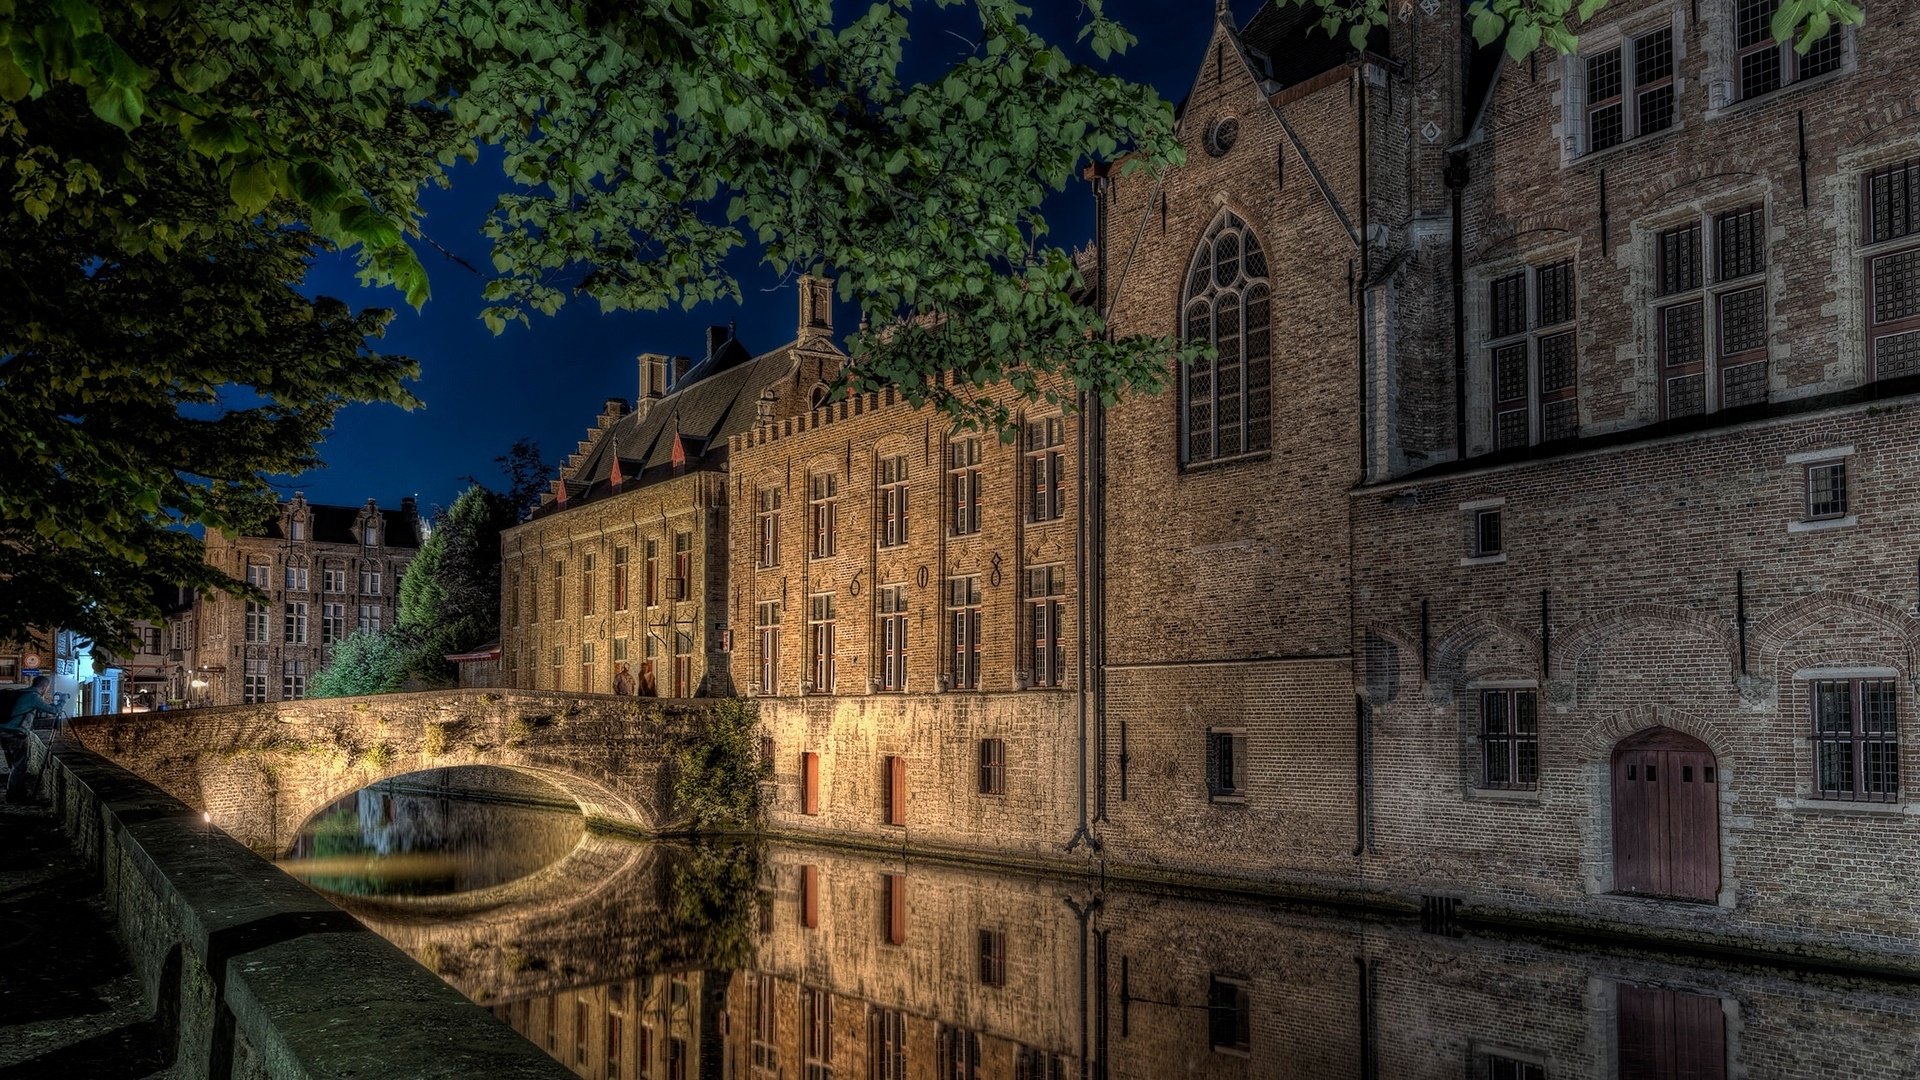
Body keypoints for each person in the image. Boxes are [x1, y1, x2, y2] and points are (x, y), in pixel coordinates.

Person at [3, 676, 63, 804]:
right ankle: (13, 796)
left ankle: (19, 792)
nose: (47, 691)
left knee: (13, 765)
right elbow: (54, 711)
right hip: (16, 734)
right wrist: (63, 700)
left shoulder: (22, 693)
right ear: (43, 687)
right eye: (47, 688)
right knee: (19, 766)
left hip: (4, 732)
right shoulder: (33, 697)